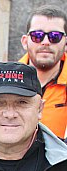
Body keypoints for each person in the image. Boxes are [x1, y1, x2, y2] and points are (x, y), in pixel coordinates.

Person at [20, 5, 67, 139]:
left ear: (66, 43)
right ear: (25, 41)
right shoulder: (6, 80)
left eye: (55, 36)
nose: (45, 42)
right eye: (37, 35)